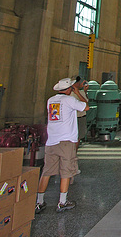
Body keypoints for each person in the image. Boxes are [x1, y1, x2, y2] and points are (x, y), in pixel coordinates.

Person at [35, 77, 89, 214]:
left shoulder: (50, 101)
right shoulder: (70, 100)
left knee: (46, 171)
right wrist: (78, 93)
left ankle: (39, 202)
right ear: (69, 89)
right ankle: (62, 201)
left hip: (51, 141)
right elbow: (86, 106)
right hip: (66, 141)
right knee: (66, 171)